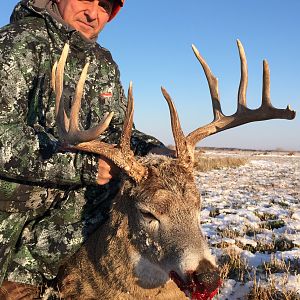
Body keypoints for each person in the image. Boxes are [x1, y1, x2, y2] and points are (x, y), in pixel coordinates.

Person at [0, 0, 171, 297]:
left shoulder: (103, 63)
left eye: (104, 5)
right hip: (16, 211)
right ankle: (19, 279)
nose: (93, 13)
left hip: (76, 214)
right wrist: (82, 167)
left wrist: (157, 152)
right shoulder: (17, 43)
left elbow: (118, 130)